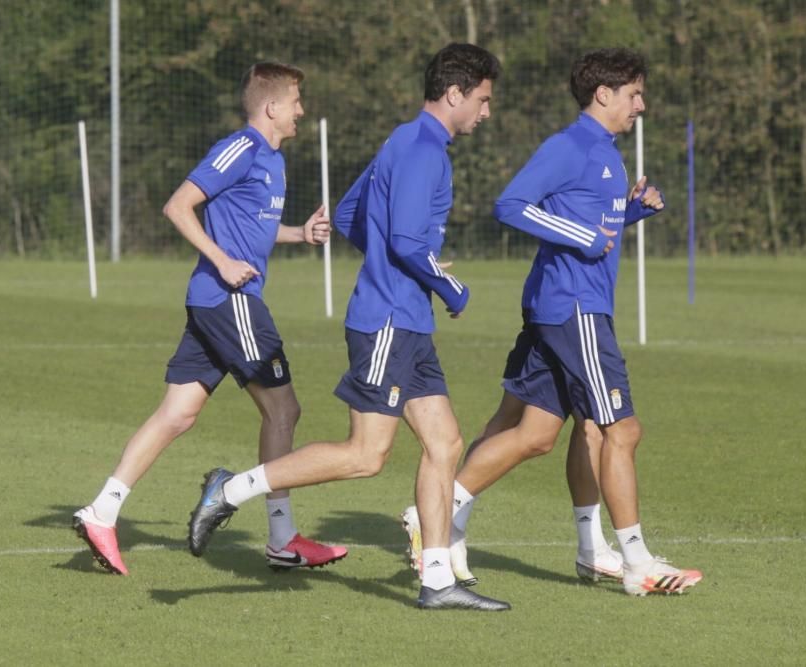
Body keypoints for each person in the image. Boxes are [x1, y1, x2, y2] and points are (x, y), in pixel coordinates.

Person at [186, 44, 510, 611]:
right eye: (482, 100)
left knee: (445, 441)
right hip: (388, 321)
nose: (486, 112)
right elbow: (407, 240)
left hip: (404, 319)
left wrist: (398, 262)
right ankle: (231, 488)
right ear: (455, 93)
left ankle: (437, 581)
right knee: (366, 455)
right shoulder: (426, 149)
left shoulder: (403, 139)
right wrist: (448, 285)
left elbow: (353, 214)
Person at [411, 48, 702, 597]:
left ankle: (432, 511)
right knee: (621, 429)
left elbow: (588, 218)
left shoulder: (608, 153)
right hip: (575, 308)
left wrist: (633, 210)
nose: (642, 104)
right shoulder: (569, 146)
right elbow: (511, 205)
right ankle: (637, 562)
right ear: (604, 94)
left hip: (568, 307)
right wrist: (583, 237)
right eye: (634, 93)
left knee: (539, 434)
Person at [72, 61, 345, 576]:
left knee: (177, 415)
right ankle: (282, 538)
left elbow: (253, 229)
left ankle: (101, 511)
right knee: (284, 410)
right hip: (229, 299)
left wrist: (299, 234)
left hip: (213, 301)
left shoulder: (274, 160)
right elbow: (178, 206)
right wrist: (222, 261)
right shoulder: (241, 148)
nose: (302, 111)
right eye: (296, 102)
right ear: (271, 107)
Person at [402, 324, 625, 587]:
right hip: (571, 309)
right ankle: (440, 512)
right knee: (572, 427)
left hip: (553, 309)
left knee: (516, 418)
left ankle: (451, 523)